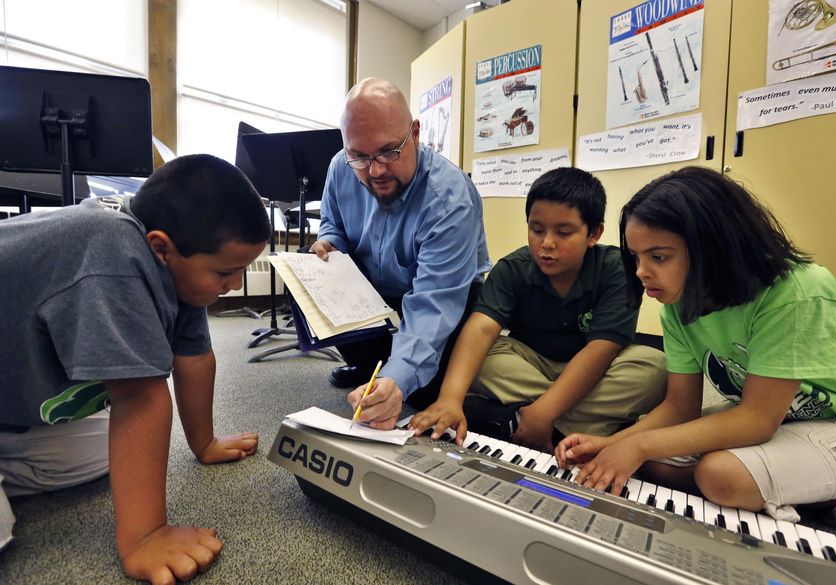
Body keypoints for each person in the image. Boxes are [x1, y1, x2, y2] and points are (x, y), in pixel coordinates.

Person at [0, 154, 270, 584]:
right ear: (162, 247)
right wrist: (146, 535)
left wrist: (205, 444)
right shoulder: (111, 251)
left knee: (100, 455)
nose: (235, 285)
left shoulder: (174, 269)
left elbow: (194, 357)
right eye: (225, 272)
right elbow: (139, 396)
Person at [555, 166, 836, 524]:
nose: (641, 271)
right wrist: (613, 444)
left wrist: (637, 445)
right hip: (786, 419)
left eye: (658, 257)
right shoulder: (678, 304)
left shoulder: (797, 291)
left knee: (720, 475)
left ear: (713, 247)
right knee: (649, 457)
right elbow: (680, 407)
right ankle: (802, 489)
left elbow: (757, 420)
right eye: (635, 257)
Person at [411, 167, 666, 452]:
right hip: (530, 364)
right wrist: (450, 398)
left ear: (593, 233)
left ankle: (525, 418)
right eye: (537, 229)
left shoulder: (617, 268)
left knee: (655, 368)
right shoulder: (512, 268)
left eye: (564, 232)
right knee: (482, 357)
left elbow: (600, 351)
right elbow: (481, 328)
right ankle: (587, 424)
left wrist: (544, 412)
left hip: (597, 368)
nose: (546, 244)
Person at [311, 78, 490, 429]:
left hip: (447, 295)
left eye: (389, 152)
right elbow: (333, 222)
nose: (375, 170)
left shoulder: (448, 199)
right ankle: (372, 368)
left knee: (423, 392)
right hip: (376, 289)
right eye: (360, 156)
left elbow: (433, 304)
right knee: (311, 270)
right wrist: (329, 242)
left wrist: (399, 376)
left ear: (416, 133)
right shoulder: (339, 167)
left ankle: (394, 375)